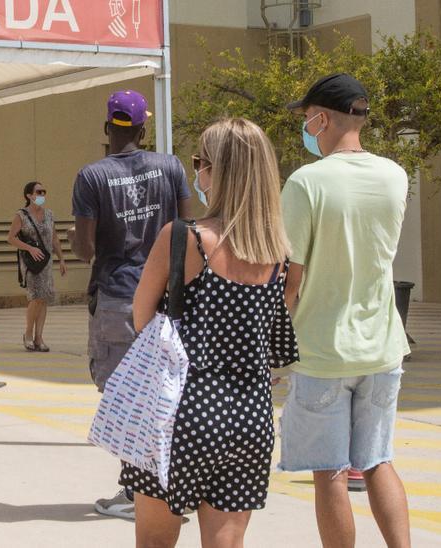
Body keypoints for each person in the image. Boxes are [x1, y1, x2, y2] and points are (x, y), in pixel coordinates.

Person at [122, 118, 298, 546]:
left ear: (218, 171)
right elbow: (275, 330)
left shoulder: (184, 239)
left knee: (154, 541)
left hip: (179, 412)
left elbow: (142, 317)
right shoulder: (280, 255)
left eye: (199, 162)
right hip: (250, 415)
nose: (196, 171)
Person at [279, 73, 412, 547]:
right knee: (377, 460)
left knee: (329, 472)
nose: (306, 127)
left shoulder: (305, 182)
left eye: (307, 118)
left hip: (322, 350)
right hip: (382, 346)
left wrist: (272, 348)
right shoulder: (395, 175)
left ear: (322, 117)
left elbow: (292, 278)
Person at [70, 89, 191, 520]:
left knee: (125, 396)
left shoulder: (91, 176)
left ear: (107, 127)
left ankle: (137, 494)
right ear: (143, 129)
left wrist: (78, 238)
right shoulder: (171, 166)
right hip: (168, 300)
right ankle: (167, 486)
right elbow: (186, 229)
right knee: (166, 394)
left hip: (118, 297)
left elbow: (85, 250)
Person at [7, 181, 66, 352]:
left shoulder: (49, 214)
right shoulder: (22, 215)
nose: (42, 195)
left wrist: (61, 259)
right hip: (31, 263)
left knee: (44, 298)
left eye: (43, 192)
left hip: (46, 262)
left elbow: (54, 238)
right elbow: (11, 238)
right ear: (29, 195)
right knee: (35, 297)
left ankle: (39, 337)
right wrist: (29, 248)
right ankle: (28, 334)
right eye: (38, 192)